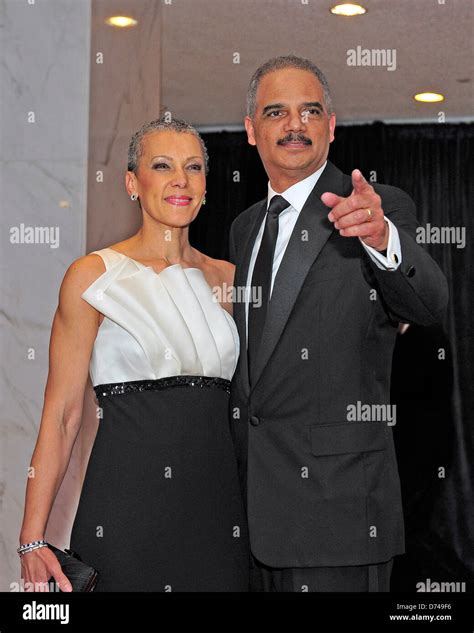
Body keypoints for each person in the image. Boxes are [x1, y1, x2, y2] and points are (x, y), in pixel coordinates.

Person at [228, 55, 449, 592]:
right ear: (252, 131)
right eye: (276, 112)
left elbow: (428, 304)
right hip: (248, 520)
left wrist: (382, 242)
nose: (295, 124)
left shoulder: (374, 209)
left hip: (340, 516)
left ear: (331, 125)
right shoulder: (243, 227)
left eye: (310, 111)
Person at [18, 117, 250, 592]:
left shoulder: (232, 279)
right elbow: (62, 415)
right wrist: (31, 538)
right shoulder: (93, 276)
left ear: (207, 185)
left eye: (193, 168)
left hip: (220, 514)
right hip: (123, 512)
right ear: (132, 182)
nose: (180, 180)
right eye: (162, 166)